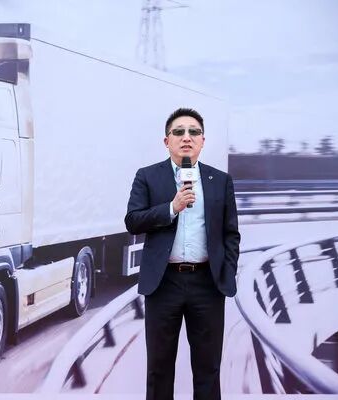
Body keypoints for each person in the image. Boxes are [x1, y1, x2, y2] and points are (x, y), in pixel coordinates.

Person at [124, 107, 240, 400]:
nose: (186, 137)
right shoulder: (148, 176)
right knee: (159, 368)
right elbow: (133, 220)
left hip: (207, 284)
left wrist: (225, 271)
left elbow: (231, 233)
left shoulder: (220, 180)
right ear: (167, 141)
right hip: (164, 284)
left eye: (194, 132)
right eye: (179, 132)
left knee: (208, 369)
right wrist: (171, 208)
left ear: (203, 141)